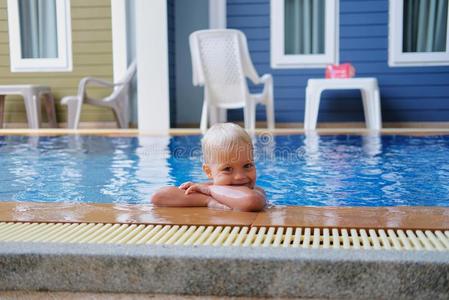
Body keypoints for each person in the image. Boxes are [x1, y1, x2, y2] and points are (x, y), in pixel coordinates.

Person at [151, 123, 266, 212]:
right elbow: (159, 196)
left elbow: (252, 201)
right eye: (227, 169)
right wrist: (207, 200)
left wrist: (210, 190)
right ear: (209, 172)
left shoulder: (257, 191)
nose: (240, 176)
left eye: (247, 166)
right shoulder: (204, 189)